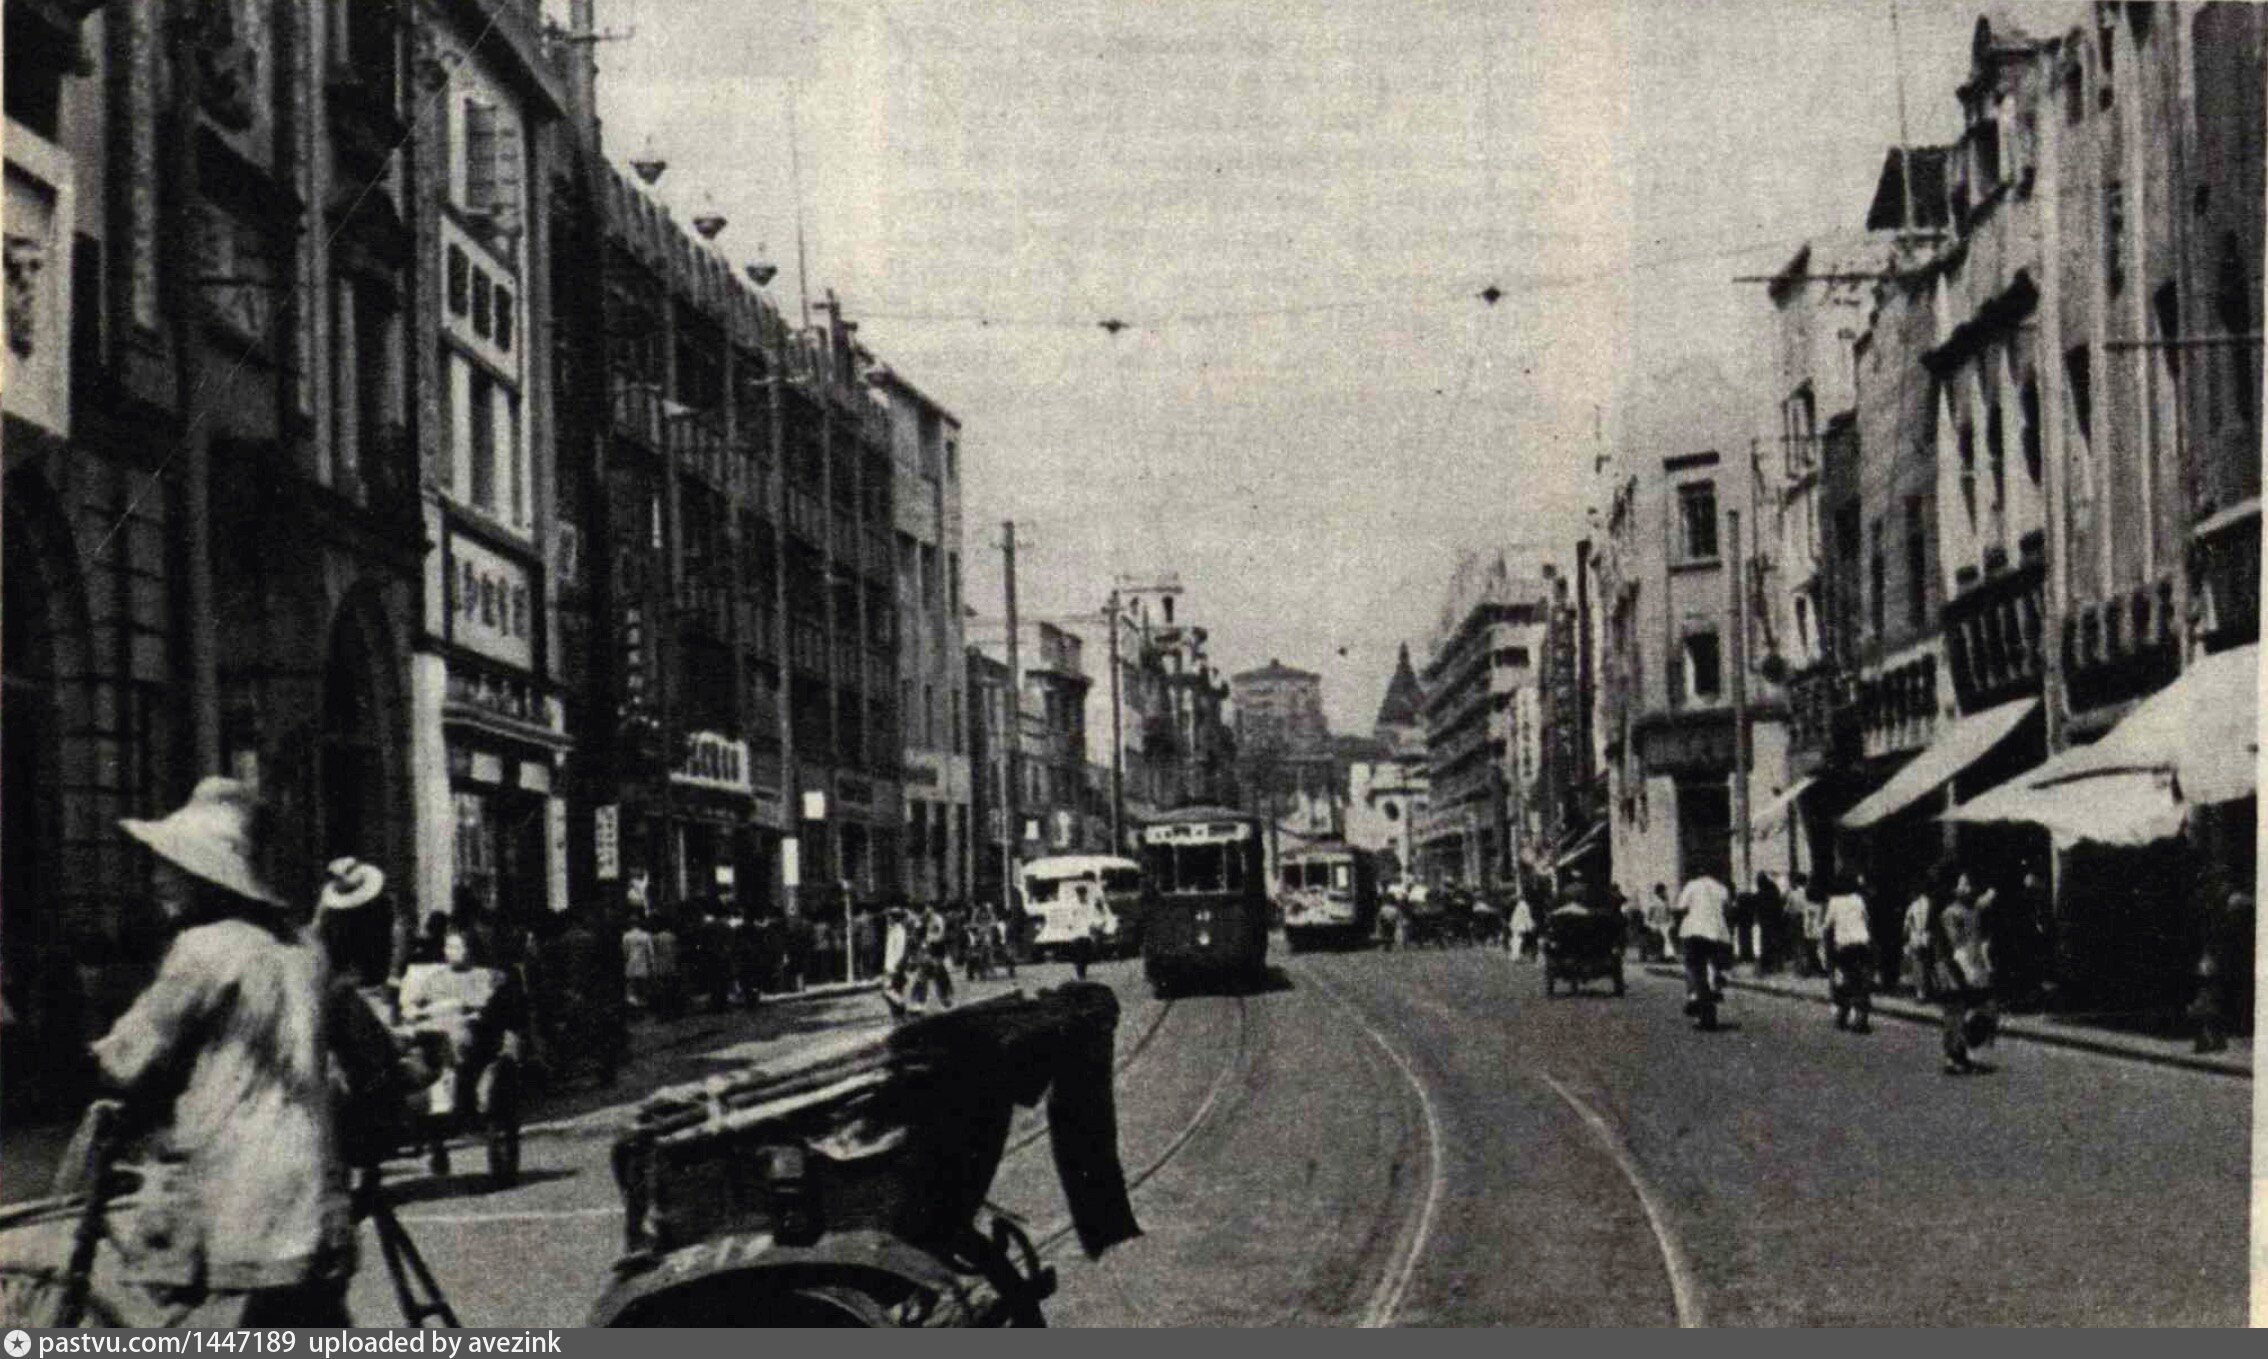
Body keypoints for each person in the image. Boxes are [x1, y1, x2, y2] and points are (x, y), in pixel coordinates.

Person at [90, 778, 380, 1325]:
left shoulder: (203, 949)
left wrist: (86, 1066)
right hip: (312, 1183)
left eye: (170, 867)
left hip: (242, 1191)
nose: (158, 879)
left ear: (204, 876)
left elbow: (129, 1056)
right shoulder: (303, 949)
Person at [1934, 871, 1997, 1075]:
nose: (1969, 889)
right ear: (1954, 889)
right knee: (1955, 1012)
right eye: (1964, 884)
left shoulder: (1973, 911)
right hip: (1953, 968)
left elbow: (1979, 938)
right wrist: (1967, 970)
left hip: (1974, 966)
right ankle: (1953, 1057)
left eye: (1970, 884)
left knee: (1984, 1010)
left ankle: (1962, 1051)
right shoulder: (1950, 913)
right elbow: (1956, 945)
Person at [1675, 869, 1734, 1028]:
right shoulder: (1721, 888)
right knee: (1714, 965)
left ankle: (1695, 997)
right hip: (1717, 933)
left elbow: (1681, 907)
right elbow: (1728, 909)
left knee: (1694, 967)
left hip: (1695, 931)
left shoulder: (1692, 885)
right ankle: (1714, 986)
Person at [1817, 875, 1873, 1033]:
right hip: (1861, 943)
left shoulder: (1834, 902)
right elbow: (1866, 919)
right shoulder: (1858, 899)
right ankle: (1861, 1018)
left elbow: (1827, 925)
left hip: (1844, 946)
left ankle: (1843, 1014)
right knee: (1860, 981)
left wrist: (1824, 941)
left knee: (1843, 980)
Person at [1751, 872, 1786, 972]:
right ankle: (1778, 964)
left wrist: (1757, 919)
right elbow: (1779, 904)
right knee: (1776, 942)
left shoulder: (1760, 893)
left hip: (1766, 921)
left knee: (1766, 943)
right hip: (1776, 920)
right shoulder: (1773, 890)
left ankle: (1768, 965)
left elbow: (1756, 907)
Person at [621, 914, 656, 1013]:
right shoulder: (646, 935)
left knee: (632, 989)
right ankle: (644, 1010)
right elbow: (651, 952)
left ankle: (634, 1010)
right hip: (643, 965)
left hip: (631, 965)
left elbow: (625, 952)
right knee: (644, 989)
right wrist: (652, 965)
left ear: (630, 924)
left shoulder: (626, 936)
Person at [1645, 883, 1674, 962]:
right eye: (1664, 891)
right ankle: (1665, 956)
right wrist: (1649, 923)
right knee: (1663, 939)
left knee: (1667, 939)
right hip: (1656, 923)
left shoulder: (1665, 900)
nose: (1665, 892)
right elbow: (1650, 912)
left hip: (1664, 923)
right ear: (1660, 892)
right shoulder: (1654, 901)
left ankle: (1668, 956)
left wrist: (1670, 921)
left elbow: (1668, 912)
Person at [1508, 892, 1537, 963]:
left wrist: (1530, 925)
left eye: (1517, 898)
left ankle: (1515, 956)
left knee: (1517, 940)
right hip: (1518, 925)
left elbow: (1526, 916)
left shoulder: (1522, 905)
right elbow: (1525, 916)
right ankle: (1515, 956)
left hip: (1519, 925)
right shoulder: (1521, 905)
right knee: (1516, 940)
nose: (1516, 899)